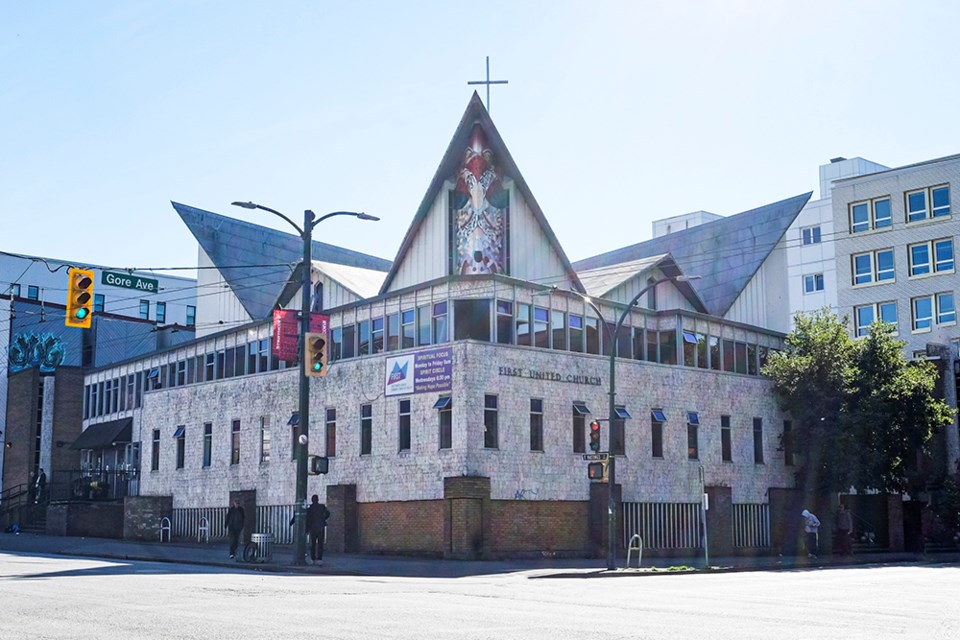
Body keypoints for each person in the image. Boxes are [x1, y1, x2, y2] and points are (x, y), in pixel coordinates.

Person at [306, 494, 331, 565]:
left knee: (313, 544)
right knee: (320, 544)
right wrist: (323, 519)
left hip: (313, 528)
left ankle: (313, 558)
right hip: (321, 527)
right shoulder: (322, 507)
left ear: (312, 500)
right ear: (318, 499)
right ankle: (319, 559)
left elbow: (308, 519)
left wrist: (307, 529)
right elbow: (328, 513)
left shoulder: (310, 509)